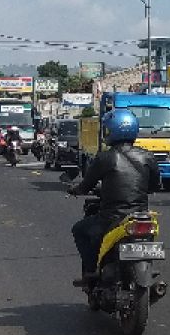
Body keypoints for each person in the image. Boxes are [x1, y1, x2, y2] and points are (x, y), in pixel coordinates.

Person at [68, 109, 161, 286]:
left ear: (109, 130)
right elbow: (155, 186)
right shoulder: (148, 156)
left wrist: (75, 190)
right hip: (141, 216)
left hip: (112, 218)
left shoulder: (105, 158)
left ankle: (90, 271)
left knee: (79, 230)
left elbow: (85, 186)